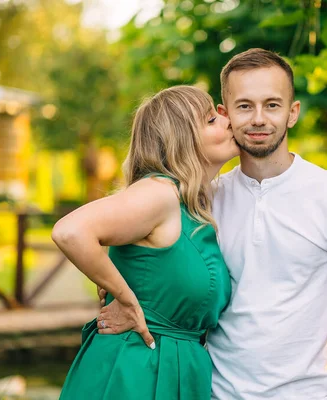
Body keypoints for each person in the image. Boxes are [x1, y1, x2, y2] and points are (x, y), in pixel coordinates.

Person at [100, 48, 327, 400]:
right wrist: (126, 301)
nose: (259, 118)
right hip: (214, 392)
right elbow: (152, 262)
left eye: (272, 105)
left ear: (293, 113)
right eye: (245, 106)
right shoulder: (203, 200)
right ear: (224, 113)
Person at [52, 85, 240, 399]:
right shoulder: (159, 193)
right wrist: (125, 299)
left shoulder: (191, 206)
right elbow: (70, 231)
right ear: (183, 139)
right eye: (210, 120)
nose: (228, 120)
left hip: (174, 371)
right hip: (136, 373)